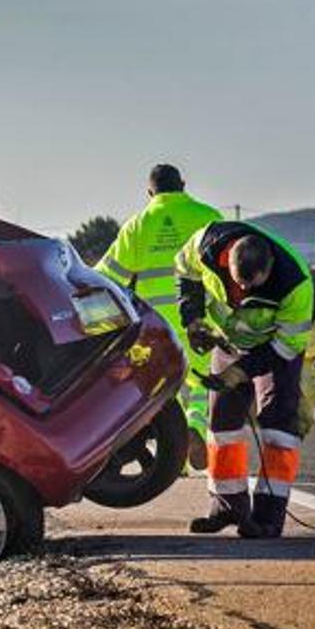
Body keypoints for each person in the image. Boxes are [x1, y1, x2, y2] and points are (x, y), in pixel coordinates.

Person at [176, 223, 315, 538]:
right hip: (230, 340)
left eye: (255, 286)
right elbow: (184, 268)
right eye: (241, 285)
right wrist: (194, 318)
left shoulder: (295, 284)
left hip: (275, 349)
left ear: (268, 269)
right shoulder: (206, 245)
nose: (246, 294)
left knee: (278, 426)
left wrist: (240, 372)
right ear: (228, 261)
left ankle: (268, 518)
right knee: (222, 424)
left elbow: (286, 346)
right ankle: (227, 506)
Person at [96, 164, 222, 468]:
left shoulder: (137, 226)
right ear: (183, 185)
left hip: (158, 324)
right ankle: (197, 428)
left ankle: (174, 455)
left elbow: (108, 276)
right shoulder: (208, 217)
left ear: (150, 192)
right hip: (200, 317)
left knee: (169, 387)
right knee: (204, 379)